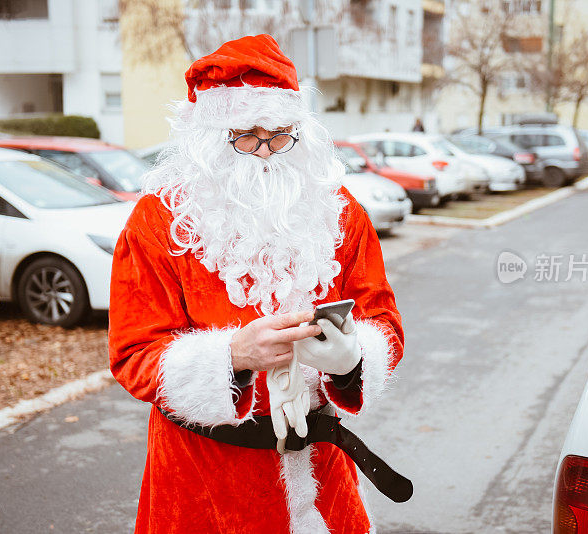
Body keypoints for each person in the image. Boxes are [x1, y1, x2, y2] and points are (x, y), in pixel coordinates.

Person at [109, 34, 405, 534]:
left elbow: (384, 324)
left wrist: (352, 360)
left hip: (322, 476)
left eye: (280, 135)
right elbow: (133, 353)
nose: (266, 153)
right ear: (208, 139)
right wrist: (231, 357)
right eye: (246, 136)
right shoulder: (158, 220)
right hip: (203, 481)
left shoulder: (340, 213)